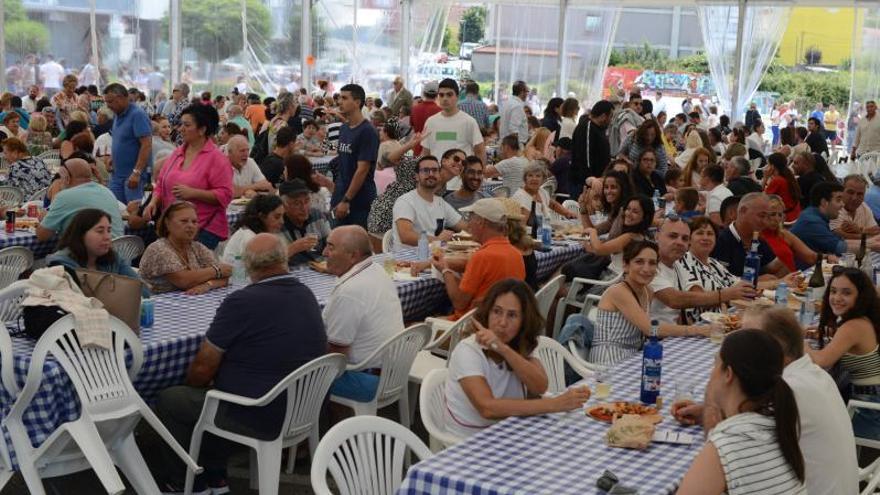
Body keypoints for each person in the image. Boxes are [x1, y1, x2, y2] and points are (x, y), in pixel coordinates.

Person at [154, 233, 325, 493]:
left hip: (259, 412)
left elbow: (202, 367)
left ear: (250, 266)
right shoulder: (305, 294)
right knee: (212, 393)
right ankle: (215, 472)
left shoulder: (242, 301)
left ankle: (184, 482)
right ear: (283, 260)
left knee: (175, 398)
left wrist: (197, 385)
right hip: (303, 406)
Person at [674, 307, 858, 495]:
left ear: (770, 348)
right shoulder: (808, 374)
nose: (739, 338)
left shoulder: (791, 389)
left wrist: (712, 402)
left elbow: (726, 438)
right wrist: (704, 410)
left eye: (749, 335)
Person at [444, 278, 591, 439]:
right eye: (497, 311)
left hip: (510, 432)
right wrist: (553, 405)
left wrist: (503, 349)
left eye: (512, 315)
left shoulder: (520, 344)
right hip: (469, 441)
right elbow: (487, 408)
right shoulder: (468, 350)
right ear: (487, 313)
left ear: (524, 321)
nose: (502, 322)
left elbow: (539, 386)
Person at [676, 330, 806, 494]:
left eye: (715, 364)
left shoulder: (726, 447)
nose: (711, 373)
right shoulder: (780, 427)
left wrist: (710, 401)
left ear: (728, 374)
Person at [590, 241, 708, 366]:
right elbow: (650, 329)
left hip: (634, 354)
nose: (646, 269)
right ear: (625, 265)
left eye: (652, 263)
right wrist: (697, 330)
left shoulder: (648, 291)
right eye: (639, 262)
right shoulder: (618, 291)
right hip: (608, 358)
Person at [323, 225, 404, 402]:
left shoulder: (349, 292)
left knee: (294, 376)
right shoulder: (377, 270)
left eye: (331, 247)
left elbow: (336, 358)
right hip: (394, 372)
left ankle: (334, 427)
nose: (324, 253)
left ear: (353, 255)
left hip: (368, 380)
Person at [143, 104, 234, 250]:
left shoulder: (217, 159)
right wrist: (153, 202)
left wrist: (193, 193)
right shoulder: (178, 152)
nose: (180, 129)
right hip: (173, 227)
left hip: (203, 229)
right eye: (180, 124)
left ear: (202, 130)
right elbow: (161, 183)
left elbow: (226, 194)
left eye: (186, 125)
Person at [809, 268, 880, 440]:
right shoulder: (865, 319)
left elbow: (822, 360)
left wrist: (793, 340)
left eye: (846, 293)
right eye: (833, 291)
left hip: (868, 412)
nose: (837, 298)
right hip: (870, 401)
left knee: (808, 425)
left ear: (861, 296)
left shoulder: (854, 326)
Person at [430, 198, 526, 320]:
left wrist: (445, 270)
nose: (468, 225)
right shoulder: (516, 254)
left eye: (470, 219)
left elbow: (459, 303)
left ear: (481, 222)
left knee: (412, 327)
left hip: (472, 327)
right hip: (501, 323)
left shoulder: (482, 257)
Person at [651, 217, 756, 324]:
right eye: (673, 236)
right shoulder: (650, 264)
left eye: (684, 238)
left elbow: (679, 313)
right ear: (657, 236)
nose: (679, 242)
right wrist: (726, 294)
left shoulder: (676, 264)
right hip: (658, 337)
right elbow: (675, 299)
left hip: (677, 333)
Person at [138, 201, 232, 295]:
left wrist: (208, 285)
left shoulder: (196, 247)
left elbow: (225, 275)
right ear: (167, 223)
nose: (190, 226)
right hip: (154, 304)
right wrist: (217, 270)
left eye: (194, 222)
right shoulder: (158, 249)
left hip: (189, 303)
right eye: (184, 221)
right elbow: (184, 281)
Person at [36, 158, 124, 241]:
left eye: (61, 177)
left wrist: (44, 219)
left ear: (67, 178)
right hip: (120, 251)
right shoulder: (107, 191)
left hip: (90, 255)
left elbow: (42, 236)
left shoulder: (65, 196)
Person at [331, 84, 379, 229]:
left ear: (357, 102)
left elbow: (362, 170)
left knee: (355, 246)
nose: (339, 101)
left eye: (344, 98)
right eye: (339, 97)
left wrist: (346, 200)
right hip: (341, 194)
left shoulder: (367, 131)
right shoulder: (344, 128)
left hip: (359, 200)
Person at [392, 155, 465, 248]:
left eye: (435, 170)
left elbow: (464, 227)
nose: (431, 174)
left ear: (439, 175)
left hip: (433, 257)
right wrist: (438, 240)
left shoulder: (440, 202)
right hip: (407, 260)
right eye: (425, 170)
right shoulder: (405, 201)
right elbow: (406, 236)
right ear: (417, 176)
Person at [712, 192, 790, 278]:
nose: (765, 222)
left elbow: (770, 267)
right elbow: (720, 280)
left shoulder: (759, 240)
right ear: (743, 211)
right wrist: (758, 281)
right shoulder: (719, 240)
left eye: (767, 217)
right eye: (761, 216)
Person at [422, 79, 486, 179]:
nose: (445, 98)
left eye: (449, 94)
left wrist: (479, 176)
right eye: (441, 95)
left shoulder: (469, 122)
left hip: (461, 185)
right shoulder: (430, 122)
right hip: (436, 182)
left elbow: (480, 151)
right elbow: (425, 153)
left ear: (457, 96)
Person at [102, 83, 152, 202]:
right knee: (115, 210)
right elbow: (121, 140)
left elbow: (146, 144)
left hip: (132, 177)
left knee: (132, 213)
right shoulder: (117, 115)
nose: (108, 106)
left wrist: (137, 172)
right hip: (117, 175)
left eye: (110, 102)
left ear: (121, 98)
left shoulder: (137, 115)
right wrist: (112, 158)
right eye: (106, 102)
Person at [582, 195, 654, 275]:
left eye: (635, 212)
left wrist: (593, 232)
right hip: (618, 276)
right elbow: (603, 250)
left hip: (613, 279)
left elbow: (600, 249)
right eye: (628, 209)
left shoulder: (629, 237)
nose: (628, 214)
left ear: (644, 217)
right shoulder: (643, 236)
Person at [790, 181, 850, 264]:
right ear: (824, 202)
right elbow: (840, 248)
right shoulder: (811, 221)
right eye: (838, 200)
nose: (842, 204)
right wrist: (869, 244)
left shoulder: (814, 215)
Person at [278, 179, 331, 266]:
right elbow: (271, 263)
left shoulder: (317, 215)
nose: (304, 208)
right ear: (284, 205)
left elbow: (332, 244)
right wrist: (293, 248)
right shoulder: (278, 223)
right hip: (293, 272)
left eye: (307, 201)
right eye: (297, 203)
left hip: (321, 267)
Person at [220, 194, 284, 265]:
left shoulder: (255, 234)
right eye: (277, 217)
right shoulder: (249, 237)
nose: (282, 221)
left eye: (282, 216)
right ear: (262, 216)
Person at [762, 195, 819, 273]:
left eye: (780, 215)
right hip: (773, 282)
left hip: (794, 280)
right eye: (772, 214)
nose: (777, 219)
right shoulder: (756, 238)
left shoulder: (784, 234)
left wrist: (827, 257)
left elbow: (810, 257)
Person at [570, 100, 613, 198]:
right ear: (603, 116)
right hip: (586, 183)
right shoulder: (587, 127)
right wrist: (591, 179)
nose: (611, 120)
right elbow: (586, 156)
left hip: (597, 180)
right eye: (610, 117)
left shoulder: (599, 129)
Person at [511, 163, 577, 222]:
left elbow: (553, 204)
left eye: (538, 176)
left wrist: (567, 213)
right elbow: (523, 225)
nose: (534, 179)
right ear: (525, 179)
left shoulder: (542, 192)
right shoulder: (520, 197)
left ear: (543, 180)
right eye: (530, 175)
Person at [830, 174, 880, 239]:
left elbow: (876, 230)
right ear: (842, 191)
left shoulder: (863, 206)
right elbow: (839, 235)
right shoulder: (834, 207)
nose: (854, 198)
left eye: (860, 194)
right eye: (850, 192)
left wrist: (860, 230)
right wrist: (867, 234)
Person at [761, 152, 801, 223]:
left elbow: (762, 198)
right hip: (795, 213)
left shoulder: (778, 180)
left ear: (772, 166)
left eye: (768, 164)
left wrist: (765, 178)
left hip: (786, 217)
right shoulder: (789, 176)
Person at [410, 81, 441, 155]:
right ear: (437, 95)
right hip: (434, 148)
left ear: (423, 93)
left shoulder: (414, 109)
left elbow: (412, 126)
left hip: (417, 146)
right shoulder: (440, 111)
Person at [499, 81, 530, 146]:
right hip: (514, 145)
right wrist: (516, 148)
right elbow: (513, 129)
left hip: (506, 142)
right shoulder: (517, 106)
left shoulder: (507, 102)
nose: (527, 94)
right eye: (527, 91)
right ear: (522, 92)